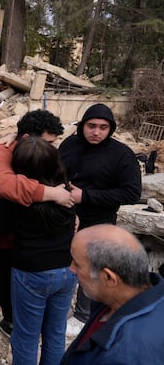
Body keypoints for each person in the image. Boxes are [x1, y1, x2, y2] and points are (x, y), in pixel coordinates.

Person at [0, 109, 72, 361]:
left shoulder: (30, 151)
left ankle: (9, 320)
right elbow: (3, 186)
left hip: (22, 238)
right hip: (0, 234)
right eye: (47, 143)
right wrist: (53, 193)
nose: (50, 150)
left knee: (13, 284)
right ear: (27, 138)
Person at [0, 137, 77, 364]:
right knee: (55, 334)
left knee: (26, 336)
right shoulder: (65, 190)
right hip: (67, 270)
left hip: (32, 273)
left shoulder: (19, 198)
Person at [59, 103, 141, 332]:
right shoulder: (70, 144)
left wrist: (85, 196)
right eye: (91, 126)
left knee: (92, 269)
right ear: (82, 125)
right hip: (65, 216)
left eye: (103, 127)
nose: (96, 132)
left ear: (111, 129)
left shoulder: (121, 155)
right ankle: (60, 308)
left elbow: (132, 193)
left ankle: (83, 316)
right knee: (65, 264)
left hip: (98, 221)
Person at [61, 224, 164, 364]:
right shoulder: (110, 301)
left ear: (109, 278)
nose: (71, 268)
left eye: (77, 264)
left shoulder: (122, 354)